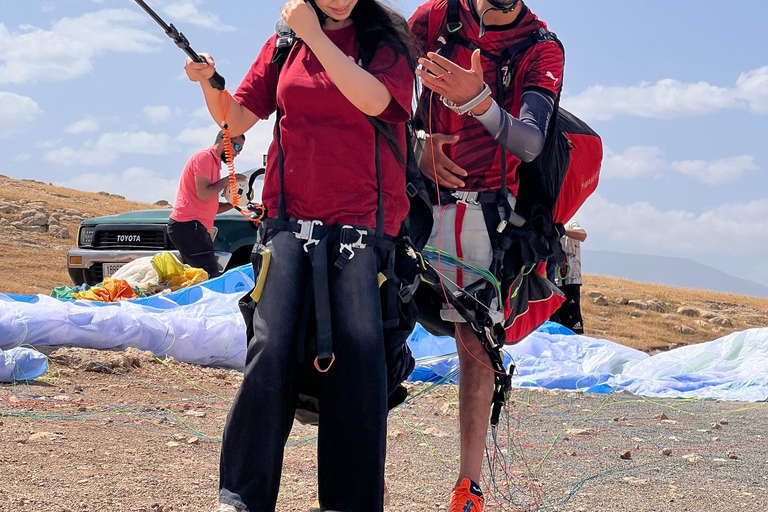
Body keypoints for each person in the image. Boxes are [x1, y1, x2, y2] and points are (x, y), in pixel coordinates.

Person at [184, 0, 416, 511]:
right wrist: (207, 81)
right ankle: (240, 498)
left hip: (364, 229)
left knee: (359, 365)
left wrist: (314, 33)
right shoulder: (284, 42)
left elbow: (376, 101)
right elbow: (236, 116)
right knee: (269, 353)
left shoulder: (386, 42)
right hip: (288, 224)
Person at [408, 0, 564, 510]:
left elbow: (530, 142)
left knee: (474, 345)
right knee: (378, 323)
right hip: (410, 193)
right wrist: (416, 145)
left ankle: (467, 487)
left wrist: (479, 101)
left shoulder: (540, 46)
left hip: (482, 209)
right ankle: (366, 470)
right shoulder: (434, 18)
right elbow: (380, 94)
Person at [168, 131, 246, 278]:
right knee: (209, 276)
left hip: (193, 228)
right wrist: (228, 180)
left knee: (197, 278)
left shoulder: (214, 163)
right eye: (237, 147)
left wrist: (236, 202)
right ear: (225, 141)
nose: (237, 153)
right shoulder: (204, 157)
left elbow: (212, 208)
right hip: (188, 226)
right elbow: (203, 194)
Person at [551, 219, 587, 334]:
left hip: (571, 279)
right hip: (553, 281)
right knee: (554, 319)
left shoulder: (570, 223)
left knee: (573, 320)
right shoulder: (547, 223)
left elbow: (582, 235)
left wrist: (563, 231)